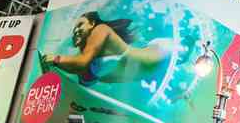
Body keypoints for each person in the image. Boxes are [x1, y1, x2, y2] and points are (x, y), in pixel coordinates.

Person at [43, 13, 173, 86]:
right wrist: (57, 64)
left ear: (92, 24)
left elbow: (81, 65)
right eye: (74, 29)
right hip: (151, 76)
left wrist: (56, 59)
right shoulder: (87, 49)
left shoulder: (101, 30)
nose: (76, 30)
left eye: (80, 24)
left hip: (163, 53)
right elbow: (78, 70)